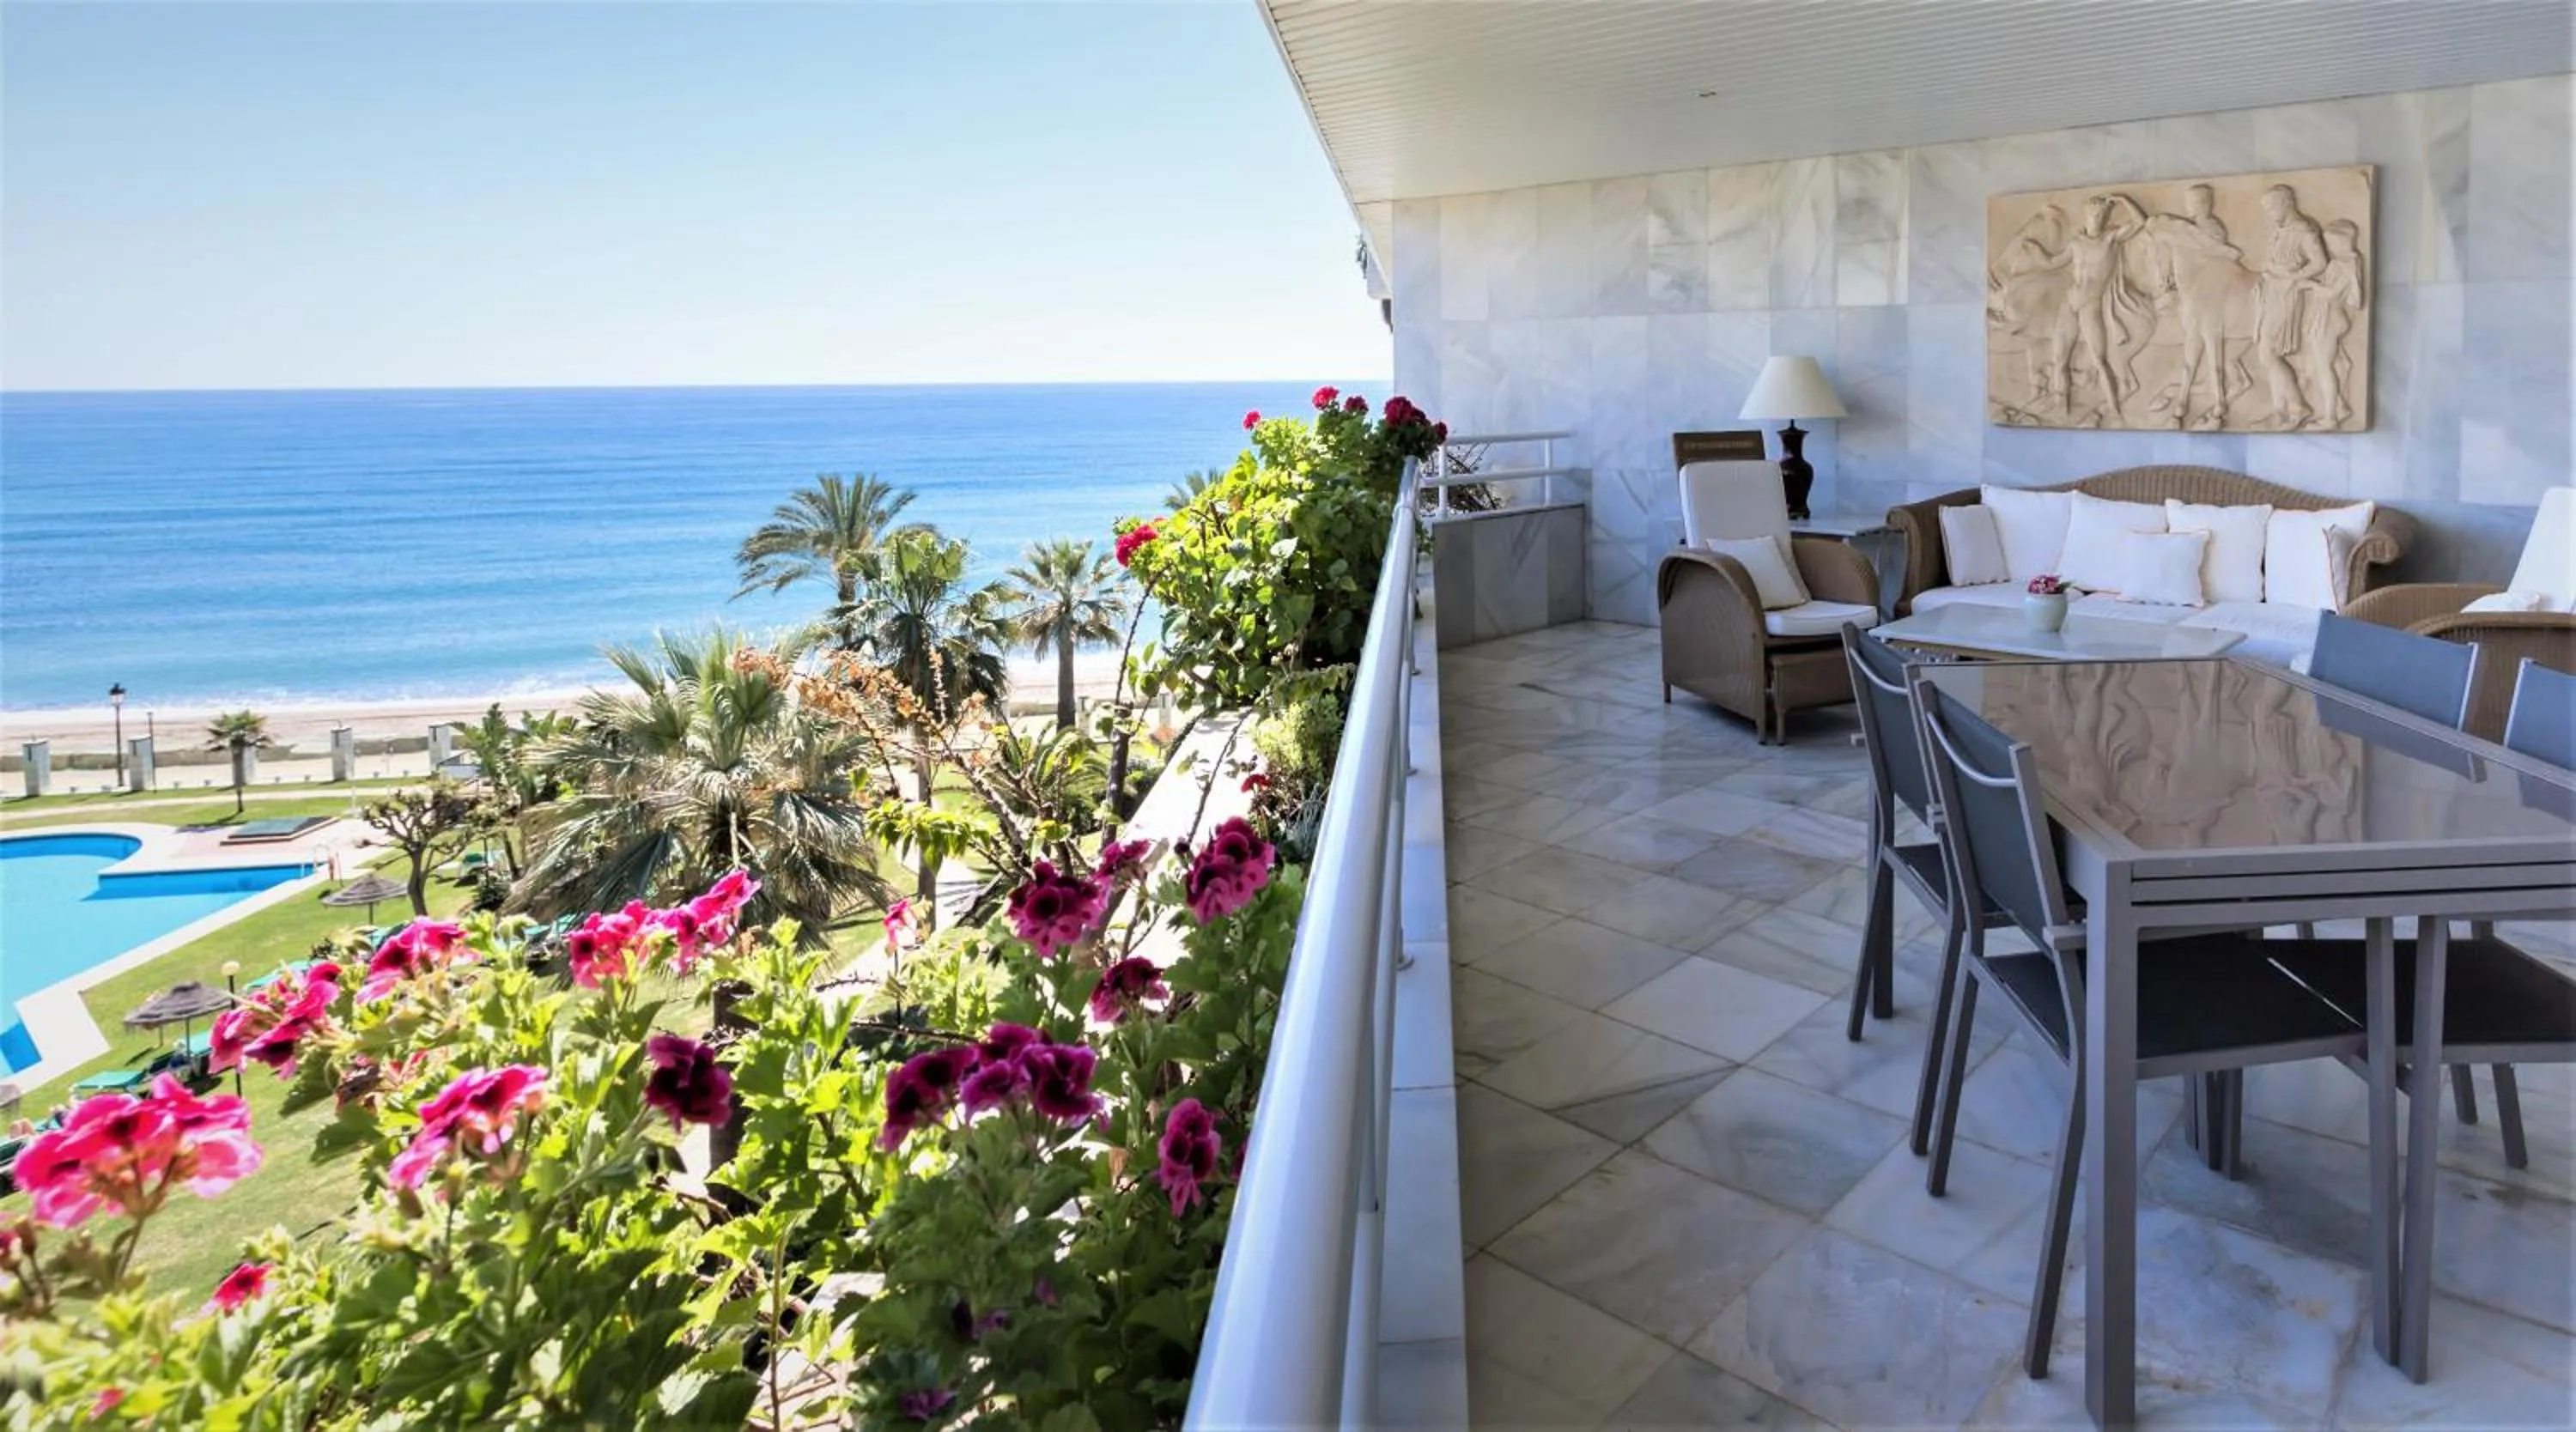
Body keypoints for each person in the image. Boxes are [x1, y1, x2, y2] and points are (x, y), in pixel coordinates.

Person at [2062, 192, 2152, 424]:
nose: (2096, 217)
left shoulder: (2110, 239)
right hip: (2070, 302)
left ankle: (2114, 409)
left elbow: (2141, 222)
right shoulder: (2076, 243)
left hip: (2090, 305)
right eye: (2092, 213)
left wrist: (2124, 199)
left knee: (2099, 360)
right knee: (2059, 361)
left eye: (2101, 213)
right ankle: (2062, 409)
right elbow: (2053, 263)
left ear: (2106, 215)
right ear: (2085, 214)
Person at [2253, 184, 2327, 428]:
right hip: (2270, 294)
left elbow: (2319, 263)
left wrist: (2292, 276)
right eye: (2266, 208)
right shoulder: (2280, 230)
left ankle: (2298, 406)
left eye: (2272, 207)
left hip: (2287, 295)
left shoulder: (2303, 231)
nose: (2270, 213)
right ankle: (2279, 410)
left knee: (2269, 353)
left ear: (2287, 202)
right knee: (2267, 354)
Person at [2300, 219, 2367, 428]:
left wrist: (2310, 284)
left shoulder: (2344, 265)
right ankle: (2341, 407)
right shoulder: (2347, 263)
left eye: (2331, 243)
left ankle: (2330, 417)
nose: (2329, 248)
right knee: (2333, 363)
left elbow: (2333, 294)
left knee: (2324, 368)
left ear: (2342, 242)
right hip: (2326, 317)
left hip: (2328, 319)